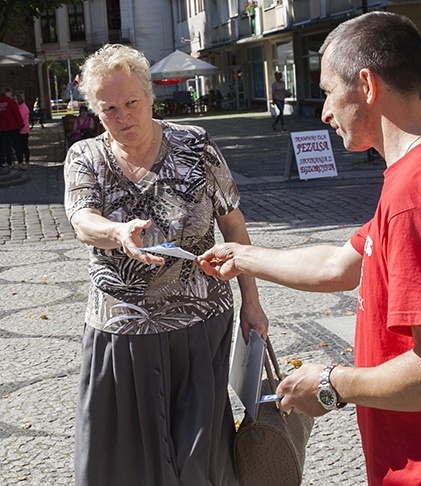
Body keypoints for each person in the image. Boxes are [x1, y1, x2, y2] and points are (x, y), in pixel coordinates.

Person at [198, 12, 421, 486]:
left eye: (328, 90)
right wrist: (242, 256)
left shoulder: (420, 194)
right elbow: (337, 265)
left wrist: (331, 385)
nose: (324, 111)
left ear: (367, 86)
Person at [63, 44, 268, 486]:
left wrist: (252, 301)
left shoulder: (196, 144)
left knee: (200, 458)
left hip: (199, 323)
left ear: (151, 94)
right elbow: (82, 219)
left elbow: (233, 223)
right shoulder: (85, 156)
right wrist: (117, 233)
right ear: (95, 111)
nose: (122, 117)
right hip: (121, 331)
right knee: (124, 459)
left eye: (131, 102)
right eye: (109, 109)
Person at [0, 87, 24, 169]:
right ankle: (20, 162)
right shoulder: (11, 102)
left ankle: (9, 163)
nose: (11, 95)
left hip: (4, 128)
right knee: (17, 145)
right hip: (14, 126)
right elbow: (16, 114)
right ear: (6, 93)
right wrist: (21, 124)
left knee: (7, 147)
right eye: (10, 94)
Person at [16, 94, 30, 170]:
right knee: (20, 147)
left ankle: (27, 162)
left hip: (23, 130)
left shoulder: (23, 108)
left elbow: (21, 119)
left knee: (24, 146)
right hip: (20, 130)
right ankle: (20, 162)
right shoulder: (19, 108)